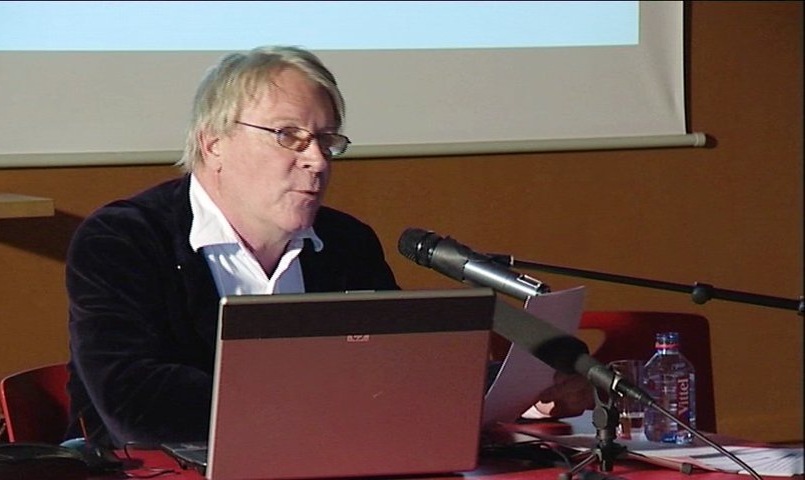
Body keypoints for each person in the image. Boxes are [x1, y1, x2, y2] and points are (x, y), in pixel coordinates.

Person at [65, 45, 592, 448]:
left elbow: (396, 366)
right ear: (213, 142)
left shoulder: (345, 243)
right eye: (289, 136)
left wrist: (519, 396)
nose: (317, 161)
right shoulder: (123, 241)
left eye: (326, 140)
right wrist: (326, 402)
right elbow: (135, 401)